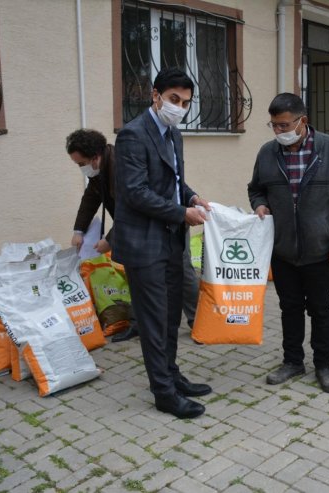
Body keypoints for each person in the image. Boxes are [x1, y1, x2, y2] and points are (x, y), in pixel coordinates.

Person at [112, 68, 211, 419]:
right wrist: (183, 213)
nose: (179, 107)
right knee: (154, 321)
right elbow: (136, 193)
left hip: (171, 239)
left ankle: (171, 374)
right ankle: (164, 393)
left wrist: (193, 196)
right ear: (155, 96)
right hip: (144, 243)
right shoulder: (132, 136)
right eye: (173, 100)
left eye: (185, 102)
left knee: (170, 318)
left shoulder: (174, 134)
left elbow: (173, 181)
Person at [248, 93, 329, 394]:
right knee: (289, 308)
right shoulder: (267, 153)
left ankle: (324, 365)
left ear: (302, 121)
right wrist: (259, 204)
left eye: (284, 125)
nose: (279, 132)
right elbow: (255, 188)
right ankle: (293, 361)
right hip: (282, 250)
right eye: (274, 126)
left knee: (322, 310)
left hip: (320, 250)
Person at [66, 129, 199, 343]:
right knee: (135, 274)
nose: (80, 168)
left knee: (181, 271)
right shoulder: (100, 169)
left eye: (80, 163)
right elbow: (90, 199)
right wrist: (79, 231)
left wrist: (109, 240)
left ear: (95, 157)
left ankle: (197, 321)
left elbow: (132, 207)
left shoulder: (123, 166)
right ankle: (138, 324)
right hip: (137, 225)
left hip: (168, 219)